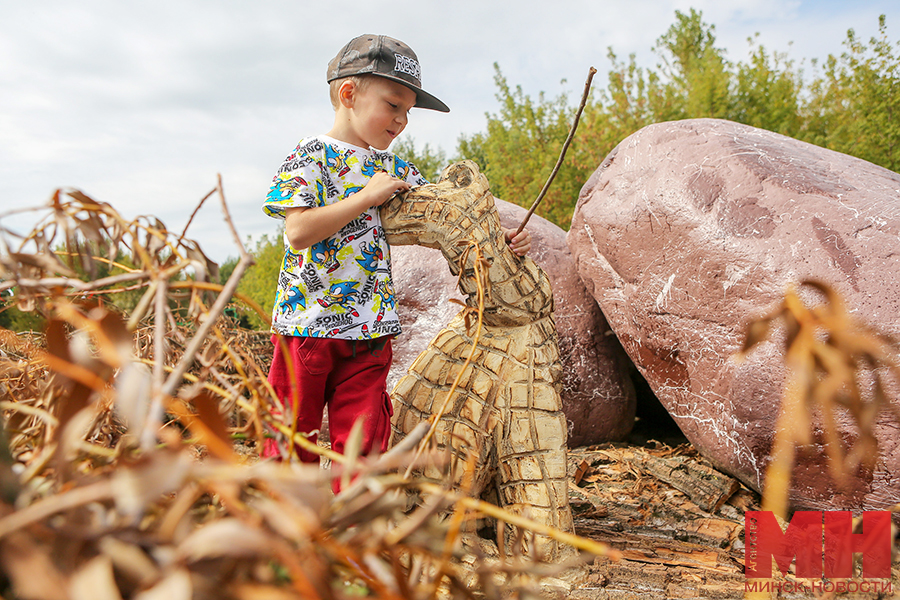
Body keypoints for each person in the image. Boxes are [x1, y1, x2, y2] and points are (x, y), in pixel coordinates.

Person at [260, 34, 532, 474]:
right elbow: (298, 232)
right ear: (349, 94)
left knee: (365, 444)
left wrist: (502, 238)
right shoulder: (310, 156)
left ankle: (357, 537)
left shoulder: (394, 169)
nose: (402, 120)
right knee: (292, 436)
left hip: (370, 331)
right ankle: (290, 534)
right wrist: (365, 199)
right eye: (393, 105)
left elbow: (446, 212)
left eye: (407, 112)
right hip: (307, 325)